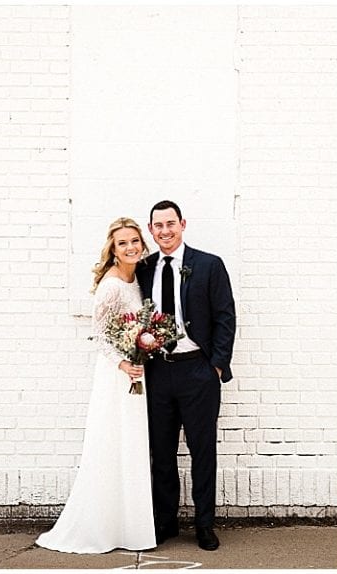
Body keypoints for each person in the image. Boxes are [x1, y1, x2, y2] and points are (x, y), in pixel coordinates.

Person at [36, 217, 156, 553]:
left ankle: (131, 528)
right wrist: (123, 363)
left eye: (134, 240)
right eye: (123, 243)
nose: (131, 247)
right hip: (116, 375)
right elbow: (100, 334)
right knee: (111, 444)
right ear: (113, 249)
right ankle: (101, 526)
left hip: (136, 372)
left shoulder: (139, 279)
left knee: (131, 447)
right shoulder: (112, 284)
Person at [136, 200, 236, 551]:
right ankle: (165, 522)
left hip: (198, 370)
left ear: (182, 224)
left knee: (202, 451)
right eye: (158, 226)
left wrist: (217, 366)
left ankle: (204, 524)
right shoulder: (144, 268)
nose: (165, 231)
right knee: (160, 452)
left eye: (170, 224)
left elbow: (226, 317)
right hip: (158, 371)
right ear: (151, 230)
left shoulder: (208, 265)